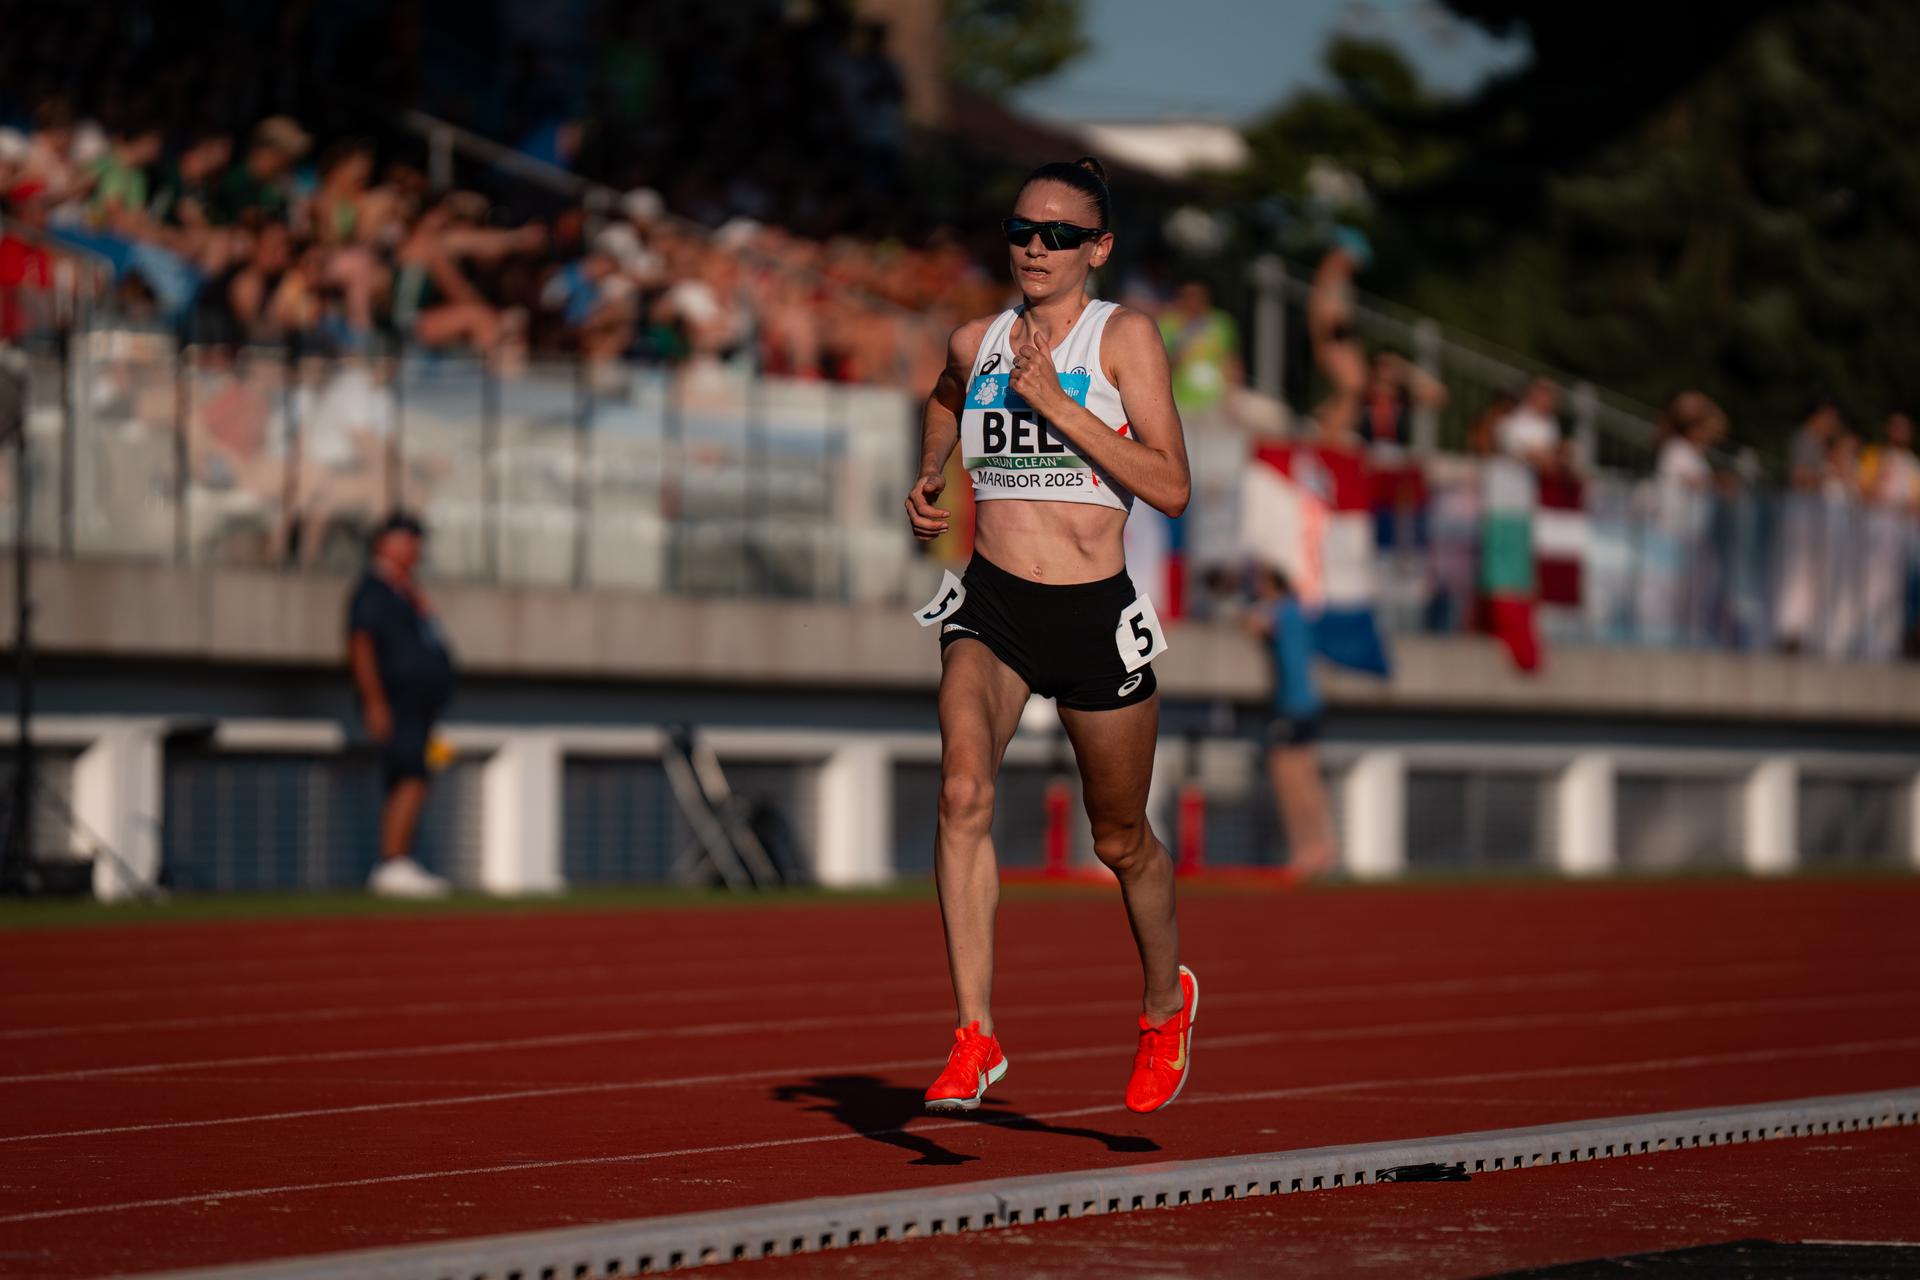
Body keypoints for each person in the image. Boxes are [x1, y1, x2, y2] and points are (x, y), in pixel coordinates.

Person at [904, 156, 1198, 1116]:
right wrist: (934, 472)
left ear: (1098, 248)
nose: (1036, 247)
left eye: (1060, 235)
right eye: (1023, 229)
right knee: (960, 790)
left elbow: (1170, 486)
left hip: (1091, 615)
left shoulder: (1126, 340)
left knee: (1121, 842)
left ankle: (1165, 1005)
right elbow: (946, 394)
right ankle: (974, 1035)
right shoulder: (976, 338)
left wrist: (1061, 409)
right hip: (992, 605)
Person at [348, 513, 457, 898]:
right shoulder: (375, 589)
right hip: (398, 703)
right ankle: (393, 862)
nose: (416, 548)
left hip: (418, 703)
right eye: (407, 539)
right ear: (384, 543)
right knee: (409, 776)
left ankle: (399, 861)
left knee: (416, 776)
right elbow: (360, 644)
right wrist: (374, 702)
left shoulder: (406, 591)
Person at [1244, 567, 1336, 879]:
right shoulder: (1298, 611)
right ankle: (1321, 845)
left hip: (1292, 704)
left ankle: (1305, 849)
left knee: (1289, 778)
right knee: (1306, 776)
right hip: (1307, 702)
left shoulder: (1281, 611)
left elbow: (1253, 624)